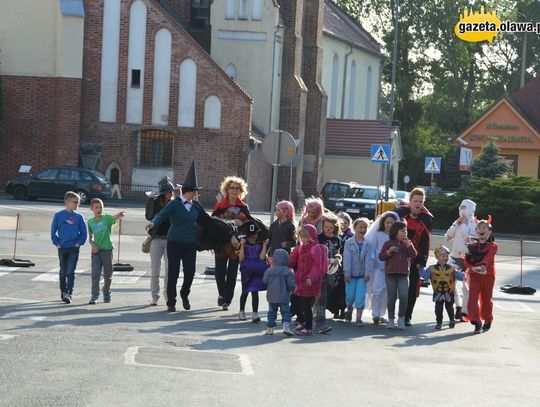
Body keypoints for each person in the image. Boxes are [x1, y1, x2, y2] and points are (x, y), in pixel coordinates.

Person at [147, 162, 212, 312]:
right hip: (174, 242)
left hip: (190, 243)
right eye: (194, 191)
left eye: (196, 192)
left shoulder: (196, 206)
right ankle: (171, 300)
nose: (196, 194)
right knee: (173, 272)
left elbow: (207, 221)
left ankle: (184, 294)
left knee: (190, 271)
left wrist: (223, 224)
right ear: (186, 191)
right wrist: (153, 223)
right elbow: (162, 215)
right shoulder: (175, 204)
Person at [212, 176, 251, 311]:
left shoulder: (243, 207)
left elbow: (248, 227)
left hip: (237, 245)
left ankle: (226, 300)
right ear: (227, 189)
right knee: (219, 272)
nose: (234, 190)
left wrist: (240, 231)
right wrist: (233, 223)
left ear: (241, 190)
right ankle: (221, 293)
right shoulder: (220, 205)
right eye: (232, 188)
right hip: (221, 243)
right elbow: (213, 223)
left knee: (232, 273)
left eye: (237, 188)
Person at [396, 187, 433, 326]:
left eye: (421, 201)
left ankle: (407, 316)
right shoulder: (400, 215)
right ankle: (392, 315)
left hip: (414, 259)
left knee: (412, 288)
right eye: (416, 201)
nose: (418, 204)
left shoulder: (425, 220)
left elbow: (425, 242)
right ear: (410, 201)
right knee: (394, 287)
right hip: (397, 257)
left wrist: (422, 259)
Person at [288, 224, 327, 336]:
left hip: (310, 283)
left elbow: (317, 266)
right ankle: (302, 322)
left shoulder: (316, 249)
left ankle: (308, 327)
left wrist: (311, 277)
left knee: (306, 306)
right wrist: (278, 263)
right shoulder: (298, 248)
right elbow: (291, 262)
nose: (305, 239)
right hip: (299, 281)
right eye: (302, 236)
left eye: (307, 236)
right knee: (294, 302)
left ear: (312, 236)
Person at [145, 176, 177, 306]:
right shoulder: (156, 202)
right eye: (168, 192)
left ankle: (167, 293)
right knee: (155, 270)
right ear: (163, 193)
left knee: (169, 270)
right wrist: (150, 201)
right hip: (157, 239)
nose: (171, 194)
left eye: (171, 192)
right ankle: (154, 296)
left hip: (170, 239)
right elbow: (149, 216)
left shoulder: (175, 203)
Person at [50, 191, 87, 304]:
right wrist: (57, 243)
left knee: (70, 271)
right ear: (66, 202)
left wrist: (78, 243)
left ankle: (69, 293)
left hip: (73, 248)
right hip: (62, 248)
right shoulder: (59, 215)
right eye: (75, 202)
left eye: (78, 203)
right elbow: (53, 233)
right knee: (63, 271)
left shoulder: (79, 217)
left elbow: (84, 233)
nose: (77, 204)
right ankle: (63, 291)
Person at [379, 221, 417, 330]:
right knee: (391, 297)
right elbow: (381, 257)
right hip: (390, 274)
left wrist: (409, 245)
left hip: (404, 274)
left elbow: (413, 255)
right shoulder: (388, 243)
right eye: (402, 231)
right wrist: (389, 252)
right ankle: (391, 319)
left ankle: (401, 318)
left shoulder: (407, 242)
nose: (405, 233)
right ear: (395, 231)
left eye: (406, 231)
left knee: (404, 296)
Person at [87, 199, 125, 304]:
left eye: (100, 207)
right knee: (95, 274)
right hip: (96, 252)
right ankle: (94, 295)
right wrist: (93, 245)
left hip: (107, 250)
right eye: (96, 207)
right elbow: (90, 238)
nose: (98, 209)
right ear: (91, 209)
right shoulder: (90, 222)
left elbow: (114, 217)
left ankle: (106, 290)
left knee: (108, 274)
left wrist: (120, 214)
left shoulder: (106, 218)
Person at [365, 211, 400, 325]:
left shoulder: (396, 237)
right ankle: (375, 314)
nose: (389, 225)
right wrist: (375, 261)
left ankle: (382, 313)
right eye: (387, 222)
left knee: (387, 292)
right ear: (383, 223)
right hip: (379, 266)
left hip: (392, 267)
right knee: (377, 290)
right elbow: (373, 249)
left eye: (392, 223)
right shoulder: (378, 234)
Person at [464, 218, 498, 334]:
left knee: (486, 299)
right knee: (472, 298)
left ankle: (487, 319)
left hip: (488, 275)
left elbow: (488, 258)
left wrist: (482, 265)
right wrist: (471, 266)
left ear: (489, 231)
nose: (481, 230)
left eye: (484, 228)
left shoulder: (493, 246)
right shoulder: (472, 246)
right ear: (476, 231)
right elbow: (466, 260)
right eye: (479, 228)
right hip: (474, 275)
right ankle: (476, 321)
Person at [445, 199, 477, 321]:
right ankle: (458, 306)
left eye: (464, 207)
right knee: (448, 282)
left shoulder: (475, 223)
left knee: (466, 286)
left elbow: (471, 240)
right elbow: (447, 236)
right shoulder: (457, 221)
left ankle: (465, 312)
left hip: (468, 259)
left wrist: (463, 225)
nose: (461, 210)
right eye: (460, 207)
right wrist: (456, 224)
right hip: (454, 257)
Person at [420, 245, 464, 329]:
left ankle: (451, 320)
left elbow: (460, 276)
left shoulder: (452, 269)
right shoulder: (432, 268)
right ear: (437, 257)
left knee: (449, 307)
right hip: (438, 292)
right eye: (443, 256)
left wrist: (464, 275)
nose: (445, 258)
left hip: (449, 292)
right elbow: (424, 275)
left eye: (447, 256)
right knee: (438, 309)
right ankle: (439, 322)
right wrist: (420, 269)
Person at [342, 218, 374, 326]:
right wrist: (347, 272)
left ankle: (359, 318)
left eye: (365, 227)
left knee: (360, 296)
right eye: (360, 227)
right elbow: (346, 258)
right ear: (354, 228)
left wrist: (367, 273)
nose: (363, 229)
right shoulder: (348, 243)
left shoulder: (368, 244)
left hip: (362, 275)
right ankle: (349, 308)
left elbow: (369, 259)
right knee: (350, 296)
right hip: (351, 275)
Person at [315, 213, 342, 333]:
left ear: (335, 227)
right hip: (320, 269)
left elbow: (338, 252)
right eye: (326, 226)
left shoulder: (337, 239)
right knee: (322, 295)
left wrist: (338, 258)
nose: (328, 229)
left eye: (330, 227)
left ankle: (317, 314)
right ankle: (320, 321)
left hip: (332, 270)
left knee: (327, 292)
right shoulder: (319, 238)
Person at [238, 221, 269, 323]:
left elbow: (261, 257)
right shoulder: (244, 244)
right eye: (252, 235)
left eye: (255, 234)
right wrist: (242, 245)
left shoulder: (259, 244)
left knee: (255, 291)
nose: (254, 237)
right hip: (247, 270)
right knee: (245, 291)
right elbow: (241, 258)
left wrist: (264, 246)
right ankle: (241, 311)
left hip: (257, 269)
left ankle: (255, 314)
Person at [263, 249, 296, 336]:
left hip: (271, 296)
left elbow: (265, 281)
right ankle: (286, 326)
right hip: (284, 296)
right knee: (285, 311)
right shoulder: (287, 271)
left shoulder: (269, 270)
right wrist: (294, 288)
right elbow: (290, 284)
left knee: (271, 312)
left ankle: (270, 328)